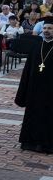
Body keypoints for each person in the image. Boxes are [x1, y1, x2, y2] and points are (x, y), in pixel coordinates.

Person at [14, 20, 53, 153]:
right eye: (45, 28)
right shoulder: (36, 46)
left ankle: (46, 145)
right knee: (33, 115)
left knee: (48, 117)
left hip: (50, 91)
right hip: (34, 89)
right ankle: (29, 142)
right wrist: (23, 90)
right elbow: (27, 70)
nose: (46, 30)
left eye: (50, 28)